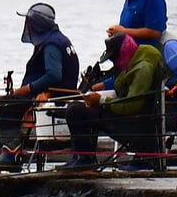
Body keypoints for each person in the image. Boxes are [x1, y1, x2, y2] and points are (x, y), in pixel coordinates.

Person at [0, 3, 80, 164]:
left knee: (6, 105)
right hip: (57, 92)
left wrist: (27, 89)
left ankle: (11, 153)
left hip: (56, 95)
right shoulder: (57, 39)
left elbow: (53, 75)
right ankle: (8, 150)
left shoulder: (51, 44)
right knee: (11, 101)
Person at [62, 39, 165, 170]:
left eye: (114, 59)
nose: (114, 63)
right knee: (77, 106)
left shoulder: (143, 69)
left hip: (133, 122)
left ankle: (85, 159)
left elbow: (131, 106)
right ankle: (80, 157)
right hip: (127, 115)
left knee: (75, 111)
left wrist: (101, 100)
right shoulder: (135, 62)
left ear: (123, 54)